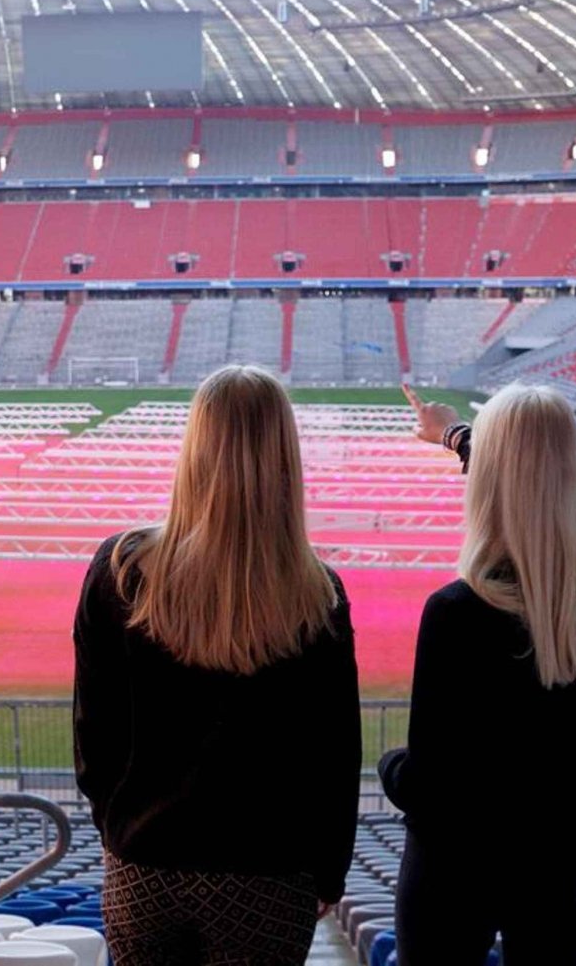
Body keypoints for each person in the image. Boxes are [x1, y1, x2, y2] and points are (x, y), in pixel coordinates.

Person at [73, 365, 360, 966]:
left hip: (145, 861)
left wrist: (118, 829)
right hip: (270, 874)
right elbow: (333, 756)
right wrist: (328, 874)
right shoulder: (318, 593)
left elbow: (94, 731)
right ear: (285, 455)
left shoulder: (122, 569)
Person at [387, 384, 576, 966]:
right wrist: (458, 437)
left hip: (459, 862)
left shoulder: (456, 611)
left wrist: (390, 769)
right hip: (574, 851)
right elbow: (566, 514)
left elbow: (429, 782)